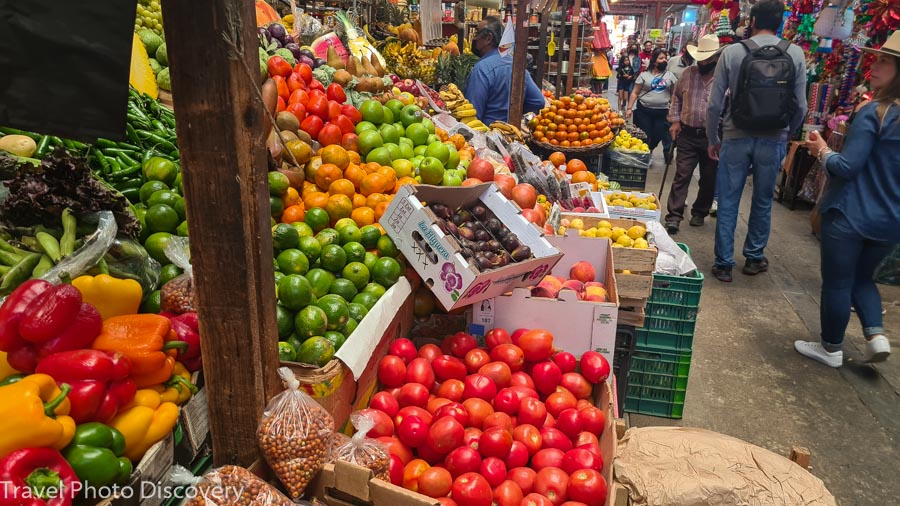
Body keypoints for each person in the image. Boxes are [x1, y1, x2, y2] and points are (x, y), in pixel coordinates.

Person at [793, 31, 900, 367]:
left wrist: (821, 149)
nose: (875, 65)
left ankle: (830, 348)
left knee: (839, 281)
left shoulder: (876, 112)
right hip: (890, 219)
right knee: (862, 277)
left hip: (850, 212)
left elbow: (847, 167)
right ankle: (876, 335)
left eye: (885, 60)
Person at [706, 0, 807, 282]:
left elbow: (714, 105)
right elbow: (801, 106)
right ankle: (753, 258)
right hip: (773, 139)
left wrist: (714, 137)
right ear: (782, 22)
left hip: (736, 136)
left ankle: (723, 263)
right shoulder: (795, 54)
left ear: (751, 21)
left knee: (728, 200)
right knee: (763, 201)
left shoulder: (733, 53)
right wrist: (787, 133)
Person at [664, 35, 723, 234]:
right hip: (688, 133)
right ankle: (674, 216)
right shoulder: (688, 73)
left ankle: (700, 211)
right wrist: (675, 121)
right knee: (682, 174)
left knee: (709, 177)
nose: (704, 62)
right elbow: (676, 98)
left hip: (712, 137)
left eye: (708, 58)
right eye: (701, 58)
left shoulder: (723, 77)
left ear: (715, 58)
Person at [464, 16, 546, 125]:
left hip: (487, 133)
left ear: (488, 38)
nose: (475, 39)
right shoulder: (517, 66)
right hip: (512, 131)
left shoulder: (481, 69)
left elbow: (473, 113)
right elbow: (538, 101)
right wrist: (513, 112)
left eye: (477, 34)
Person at [627, 48, 677, 163]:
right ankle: (645, 154)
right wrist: (629, 108)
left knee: (658, 134)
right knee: (646, 134)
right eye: (661, 58)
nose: (664, 60)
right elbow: (635, 92)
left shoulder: (670, 76)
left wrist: (674, 109)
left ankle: (651, 148)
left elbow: (674, 94)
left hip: (662, 111)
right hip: (644, 110)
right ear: (654, 61)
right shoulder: (644, 75)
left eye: (665, 58)